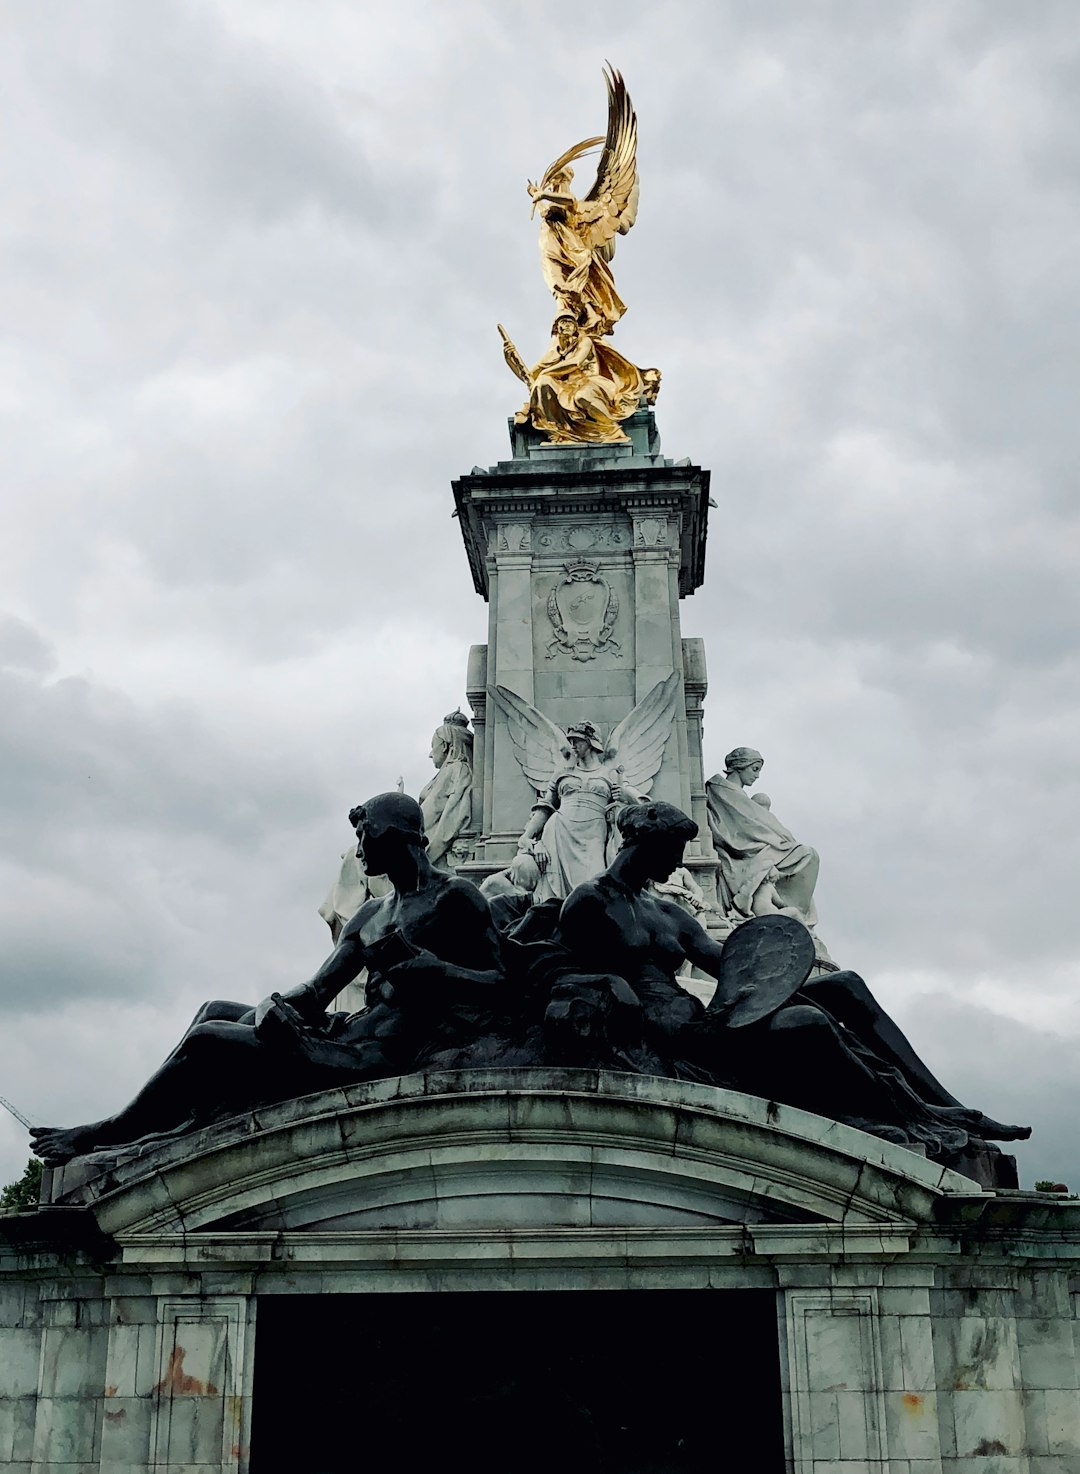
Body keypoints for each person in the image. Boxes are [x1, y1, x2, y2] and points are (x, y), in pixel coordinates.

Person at [30, 794, 504, 1166]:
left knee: (207, 1039)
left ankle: (105, 1132)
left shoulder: (455, 898)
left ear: (397, 836)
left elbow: (503, 984)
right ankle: (156, 1129)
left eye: (366, 836)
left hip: (377, 1056)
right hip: (344, 1034)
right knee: (216, 1010)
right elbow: (317, 993)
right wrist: (271, 1008)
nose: (359, 850)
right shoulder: (371, 915)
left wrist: (436, 971)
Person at [557, 802, 1030, 1153]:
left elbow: (728, 964)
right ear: (648, 846)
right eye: (675, 852)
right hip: (670, 1032)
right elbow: (569, 972)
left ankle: (942, 1101)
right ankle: (918, 1116)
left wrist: (776, 955)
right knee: (806, 1022)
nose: (680, 863)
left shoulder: (665, 912)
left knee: (846, 986)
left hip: (704, 1017)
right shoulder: (590, 902)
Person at [517, 719, 645, 904]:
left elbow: (642, 804)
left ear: (591, 742)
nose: (573, 746)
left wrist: (625, 795)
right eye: (571, 741)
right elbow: (545, 806)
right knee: (555, 898)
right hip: (558, 833)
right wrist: (527, 836)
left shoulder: (610, 774)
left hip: (593, 835)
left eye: (578, 741)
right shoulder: (562, 773)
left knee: (594, 887)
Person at [706, 747, 821, 928]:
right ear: (740, 766)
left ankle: (799, 919)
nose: (757, 776)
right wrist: (779, 839)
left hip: (754, 844)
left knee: (807, 854)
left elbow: (758, 824)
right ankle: (798, 920)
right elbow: (746, 828)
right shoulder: (722, 790)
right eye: (754, 769)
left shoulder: (736, 793)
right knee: (808, 855)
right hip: (742, 847)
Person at [520, 314, 643, 446]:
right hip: (569, 387)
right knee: (543, 383)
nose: (567, 325)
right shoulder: (555, 351)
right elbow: (531, 374)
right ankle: (558, 434)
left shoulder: (584, 342)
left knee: (582, 397)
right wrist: (512, 361)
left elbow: (576, 362)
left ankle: (613, 430)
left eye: (571, 323)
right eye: (564, 321)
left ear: (576, 328)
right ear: (557, 327)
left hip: (592, 382)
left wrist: (545, 372)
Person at [419, 709, 474, 869]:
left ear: (444, 746)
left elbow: (449, 818)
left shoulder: (457, 769)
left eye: (433, 746)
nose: (430, 754)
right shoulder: (450, 771)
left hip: (431, 853)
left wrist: (425, 858)